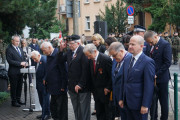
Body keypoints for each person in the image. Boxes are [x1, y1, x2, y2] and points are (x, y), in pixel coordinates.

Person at [119, 35, 155, 120]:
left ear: (141, 46)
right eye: (129, 44)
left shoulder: (147, 62)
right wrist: (121, 98)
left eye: (133, 44)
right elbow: (123, 80)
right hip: (127, 102)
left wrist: (145, 105)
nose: (130, 46)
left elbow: (149, 86)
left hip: (139, 104)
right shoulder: (127, 59)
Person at [59, 35, 91, 120]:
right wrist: (61, 50)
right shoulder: (69, 52)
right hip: (72, 86)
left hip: (82, 86)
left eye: (71, 43)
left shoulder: (83, 51)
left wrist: (81, 84)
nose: (69, 45)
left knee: (84, 110)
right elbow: (60, 61)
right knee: (76, 109)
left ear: (78, 43)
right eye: (69, 43)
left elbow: (86, 70)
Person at [144, 31, 172, 120]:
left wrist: (157, 74)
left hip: (162, 78)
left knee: (163, 101)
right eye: (148, 42)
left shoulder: (165, 44)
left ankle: (164, 118)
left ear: (156, 37)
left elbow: (167, 62)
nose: (150, 44)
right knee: (152, 101)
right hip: (151, 78)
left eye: (151, 42)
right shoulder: (149, 45)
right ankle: (153, 118)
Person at [83, 44, 112, 120]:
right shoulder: (91, 60)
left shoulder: (105, 59)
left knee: (107, 113)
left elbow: (111, 76)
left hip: (105, 92)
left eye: (89, 55)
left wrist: (108, 87)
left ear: (95, 51)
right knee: (99, 113)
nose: (88, 58)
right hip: (96, 92)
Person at [40, 42, 68, 120]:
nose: (43, 52)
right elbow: (49, 69)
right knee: (54, 109)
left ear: (49, 47)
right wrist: (45, 78)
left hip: (59, 87)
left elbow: (64, 72)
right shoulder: (49, 55)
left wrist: (63, 86)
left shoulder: (58, 55)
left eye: (44, 50)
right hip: (52, 87)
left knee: (61, 110)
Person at [108, 42, 132, 120]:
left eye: (114, 55)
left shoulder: (131, 60)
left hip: (128, 98)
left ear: (121, 51)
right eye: (112, 56)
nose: (113, 58)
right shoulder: (116, 60)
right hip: (118, 97)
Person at [6, 35, 26, 107]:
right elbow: (10, 61)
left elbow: (23, 58)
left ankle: (18, 99)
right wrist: (20, 63)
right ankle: (14, 101)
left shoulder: (20, 49)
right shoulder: (9, 49)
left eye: (18, 41)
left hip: (20, 71)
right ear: (12, 41)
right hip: (13, 72)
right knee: (14, 87)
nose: (18, 43)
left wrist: (25, 63)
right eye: (16, 41)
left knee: (19, 86)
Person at [31, 51, 51, 120]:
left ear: (39, 55)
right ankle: (44, 112)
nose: (34, 60)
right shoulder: (39, 60)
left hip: (44, 84)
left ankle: (47, 114)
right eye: (33, 59)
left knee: (45, 100)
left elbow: (48, 71)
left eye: (35, 58)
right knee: (41, 100)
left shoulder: (44, 60)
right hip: (39, 84)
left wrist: (45, 79)